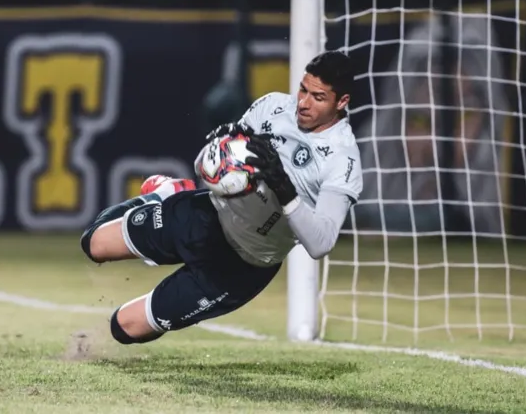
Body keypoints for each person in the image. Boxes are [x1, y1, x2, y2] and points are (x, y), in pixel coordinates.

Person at [80, 50, 363, 345]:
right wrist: (222, 146)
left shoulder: (343, 161)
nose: (303, 103)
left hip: (244, 265)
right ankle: (167, 194)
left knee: (124, 328)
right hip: (206, 217)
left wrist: (284, 188)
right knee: (94, 244)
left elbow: (321, 243)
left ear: (341, 102)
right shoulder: (274, 107)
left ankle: (167, 201)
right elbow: (211, 167)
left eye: (318, 97)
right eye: (303, 89)